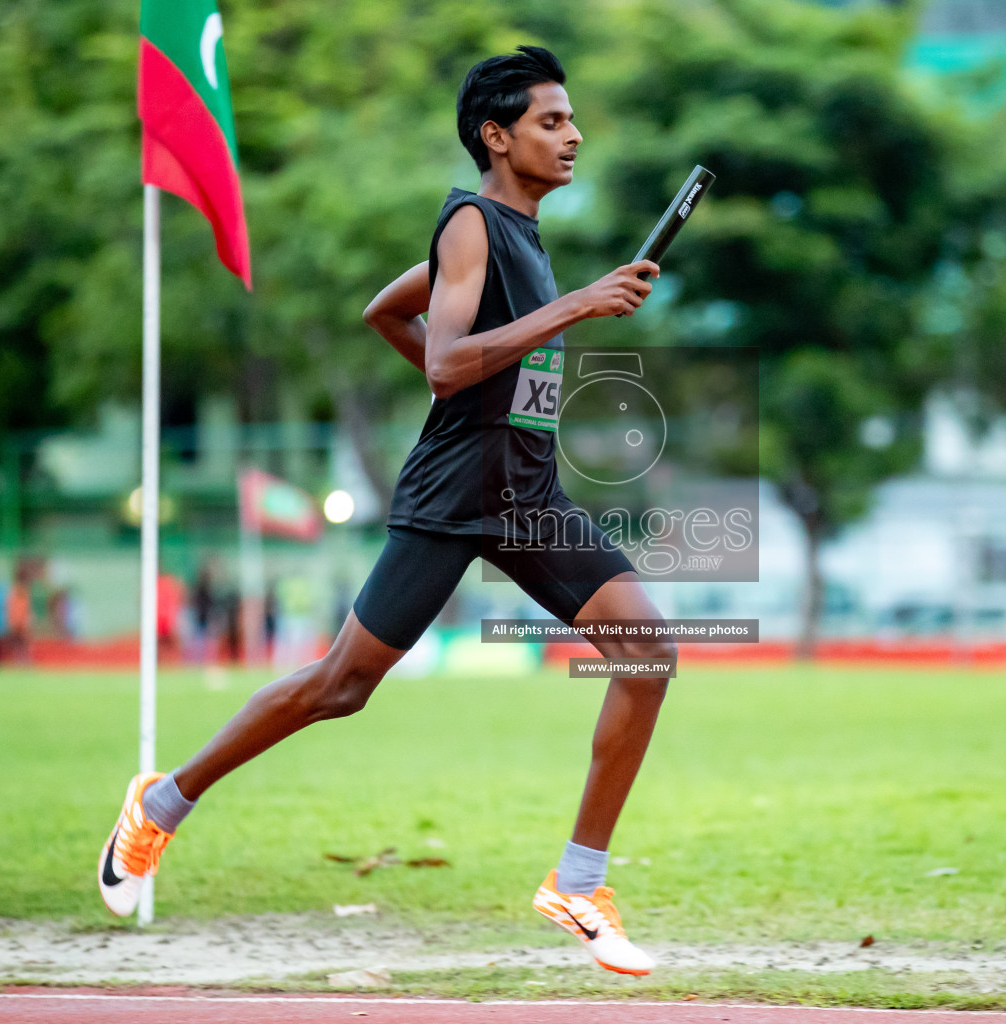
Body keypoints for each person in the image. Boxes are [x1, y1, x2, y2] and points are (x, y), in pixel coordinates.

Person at [96, 45, 672, 976]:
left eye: (571, 120)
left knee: (648, 653)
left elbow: (385, 312)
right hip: (453, 501)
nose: (573, 135)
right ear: (497, 135)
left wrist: (509, 375)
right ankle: (161, 802)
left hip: (525, 496)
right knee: (340, 687)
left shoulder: (522, 235)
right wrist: (576, 308)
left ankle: (577, 882)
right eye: (551, 121)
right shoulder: (472, 226)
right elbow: (445, 360)